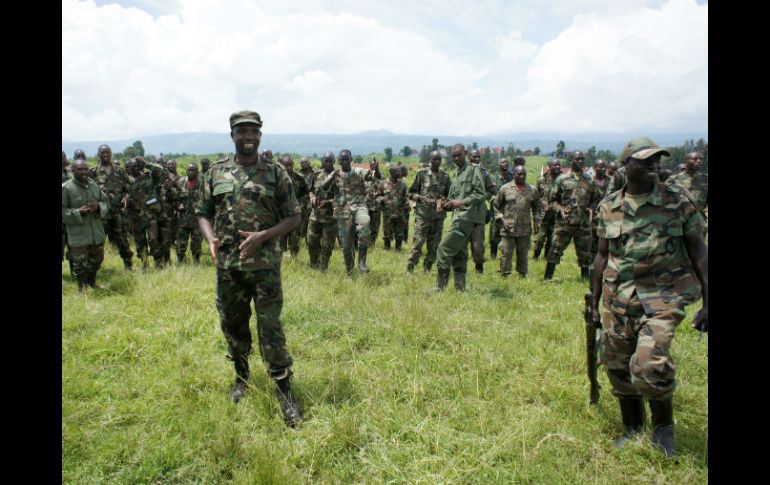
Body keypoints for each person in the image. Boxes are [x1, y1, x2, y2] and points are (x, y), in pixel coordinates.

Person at [591, 136, 708, 458]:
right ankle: (632, 428)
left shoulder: (677, 202)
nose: (655, 165)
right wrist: (593, 301)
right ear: (626, 165)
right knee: (616, 365)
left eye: (657, 159)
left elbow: (699, 251)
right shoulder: (608, 206)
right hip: (618, 298)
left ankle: (663, 430)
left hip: (663, 298)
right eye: (645, 161)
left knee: (648, 365)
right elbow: (602, 256)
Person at [196, 110, 302, 426]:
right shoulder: (215, 173)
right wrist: (210, 237)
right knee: (233, 323)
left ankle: (285, 392)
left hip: (265, 266)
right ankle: (241, 379)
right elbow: (202, 212)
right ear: (232, 135)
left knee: (270, 327)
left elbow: (294, 217)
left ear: (260, 135)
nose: (248, 137)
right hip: (228, 267)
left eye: (253, 132)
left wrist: (262, 236)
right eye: (242, 132)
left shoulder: (275, 173)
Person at [434, 144, 487, 291]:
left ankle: (440, 288)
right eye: (454, 156)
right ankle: (460, 288)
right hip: (459, 217)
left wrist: (461, 202)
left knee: (443, 249)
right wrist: (443, 203)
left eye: (459, 155)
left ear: (465, 153)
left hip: (467, 218)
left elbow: (481, 194)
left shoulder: (473, 169)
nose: (456, 158)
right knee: (459, 253)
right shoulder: (457, 174)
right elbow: (451, 199)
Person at [544, 151, 600, 281]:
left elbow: (596, 198)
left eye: (582, 159)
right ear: (571, 161)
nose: (580, 161)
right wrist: (560, 209)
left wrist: (591, 209)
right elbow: (552, 200)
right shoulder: (562, 179)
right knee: (555, 249)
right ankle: (547, 278)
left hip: (583, 222)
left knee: (585, 252)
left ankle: (585, 278)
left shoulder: (589, 180)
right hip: (565, 223)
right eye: (577, 159)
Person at [319, 149, 371, 274]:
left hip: (359, 207)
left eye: (347, 159)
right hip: (342, 212)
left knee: (365, 224)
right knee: (346, 246)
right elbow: (323, 188)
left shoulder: (358, 172)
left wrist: (376, 170)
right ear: (339, 161)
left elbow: (372, 176)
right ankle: (349, 270)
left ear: (351, 160)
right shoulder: (335, 175)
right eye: (342, 159)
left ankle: (362, 262)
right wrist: (332, 176)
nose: (344, 162)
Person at [62, 159, 110, 290]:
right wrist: (78, 212)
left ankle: (92, 283)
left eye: (85, 169)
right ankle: (81, 289)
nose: (83, 172)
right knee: (80, 264)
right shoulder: (67, 188)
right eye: (79, 169)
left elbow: (106, 202)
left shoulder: (93, 184)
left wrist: (99, 207)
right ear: (73, 171)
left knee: (97, 259)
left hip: (96, 232)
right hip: (79, 234)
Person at [89, 145, 134, 270]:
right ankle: (94, 270)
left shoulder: (120, 171)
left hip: (117, 213)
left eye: (107, 152)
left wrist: (126, 197)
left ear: (111, 153)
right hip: (100, 215)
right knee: (97, 243)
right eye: (102, 152)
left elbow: (128, 188)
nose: (105, 155)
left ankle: (129, 265)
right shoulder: (92, 172)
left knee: (123, 241)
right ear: (98, 154)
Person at [406, 150, 451, 273]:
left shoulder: (446, 177)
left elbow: (449, 196)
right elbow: (410, 193)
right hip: (423, 217)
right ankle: (410, 269)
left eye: (439, 159)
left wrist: (442, 202)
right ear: (429, 160)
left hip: (438, 217)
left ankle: (427, 269)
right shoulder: (421, 174)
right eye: (434, 159)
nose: (437, 162)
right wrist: (421, 198)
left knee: (434, 246)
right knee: (418, 243)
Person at [493, 165, 540, 277]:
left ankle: (522, 274)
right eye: (519, 174)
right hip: (508, 227)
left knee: (523, 253)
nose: (522, 176)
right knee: (506, 252)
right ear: (514, 174)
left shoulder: (532, 190)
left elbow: (537, 207)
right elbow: (495, 206)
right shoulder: (505, 188)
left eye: (524, 174)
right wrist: (501, 219)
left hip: (525, 228)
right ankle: (504, 274)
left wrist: (537, 222)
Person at [467, 149, 497, 273]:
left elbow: (492, 192)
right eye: (474, 157)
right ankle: (459, 272)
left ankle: (479, 270)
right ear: (469, 157)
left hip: (479, 213)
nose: (477, 159)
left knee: (478, 246)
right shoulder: (462, 171)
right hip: (464, 213)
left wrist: (483, 196)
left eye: (479, 157)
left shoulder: (485, 173)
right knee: (460, 245)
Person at [307, 152, 338, 270]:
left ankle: (323, 269)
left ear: (334, 161)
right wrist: (312, 197)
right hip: (315, 216)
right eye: (326, 161)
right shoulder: (316, 174)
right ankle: (313, 266)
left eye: (330, 161)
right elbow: (310, 190)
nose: (328, 163)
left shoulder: (338, 177)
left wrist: (329, 201)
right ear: (322, 161)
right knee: (311, 242)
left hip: (331, 218)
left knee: (327, 246)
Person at [279, 156, 309, 258]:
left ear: (293, 165)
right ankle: (281, 256)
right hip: (281, 212)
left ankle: (294, 257)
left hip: (295, 212)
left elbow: (306, 193)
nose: (288, 167)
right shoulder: (277, 178)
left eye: (290, 165)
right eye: (286, 165)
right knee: (281, 236)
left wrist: (300, 206)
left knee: (295, 236)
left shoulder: (299, 177)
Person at [667, 151, 708, 222]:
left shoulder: (705, 179)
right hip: (678, 220)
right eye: (695, 159)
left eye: (701, 159)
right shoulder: (673, 179)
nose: (698, 161)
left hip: (699, 221)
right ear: (686, 161)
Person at [533, 160, 561, 260]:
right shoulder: (542, 179)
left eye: (559, 165)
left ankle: (546, 256)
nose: (557, 167)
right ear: (550, 167)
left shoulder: (563, 179)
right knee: (540, 237)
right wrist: (542, 202)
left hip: (557, 214)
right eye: (555, 165)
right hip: (544, 214)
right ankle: (535, 256)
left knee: (552, 237)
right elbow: (535, 195)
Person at [175, 163, 203, 263]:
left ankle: (196, 261)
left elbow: (208, 199)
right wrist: (178, 204)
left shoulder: (203, 183)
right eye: (188, 170)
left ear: (197, 171)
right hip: (183, 219)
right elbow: (175, 196)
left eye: (193, 170)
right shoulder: (181, 182)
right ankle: (180, 261)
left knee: (196, 242)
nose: (190, 172)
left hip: (197, 220)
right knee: (181, 242)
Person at [377, 164, 409, 251]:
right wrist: (382, 199)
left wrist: (407, 204)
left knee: (399, 231)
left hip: (400, 212)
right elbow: (377, 196)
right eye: (398, 172)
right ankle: (387, 247)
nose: (400, 173)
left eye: (400, 171)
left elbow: (406, 196)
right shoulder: (383, 183)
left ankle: (398, 248)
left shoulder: (403, 184)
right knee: (387, 230)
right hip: (387, 212)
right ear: (392, 173)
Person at [488, 158, 513, 259]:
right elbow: (486, 192)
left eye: (507, 162)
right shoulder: (492, 178)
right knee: (494, 236)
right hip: (495, 211)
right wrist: (494, 198)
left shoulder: (512, 178)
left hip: (508, 212)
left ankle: (506, 256)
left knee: (508, 234)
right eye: (503, 162)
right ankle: (493, 256)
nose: (505, 164)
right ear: (499, 165)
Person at [590, 159, 610, 256]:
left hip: (608, 218)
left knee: (606, 245)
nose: (603, 169)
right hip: (593, 218)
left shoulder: (611, 181)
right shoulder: (589, 182)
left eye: (604, 167)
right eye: (600, 167)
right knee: (593, 244)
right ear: (594, 168)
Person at [364, 158, 384, 248]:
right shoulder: (366, 175)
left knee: (375, 226)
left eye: (374, 164)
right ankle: (365, 241)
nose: (373, 166)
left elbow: (380, 177)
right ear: (369, 165)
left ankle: (372, 243)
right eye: (371, 164)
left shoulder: (379, 175)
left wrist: (377, 169)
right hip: (366, 206)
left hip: (376, 206)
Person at [298, 157, 315, 243]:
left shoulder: (315, 174)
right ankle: (302, 240)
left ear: (309, 163)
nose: (304, 164)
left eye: (305, 162)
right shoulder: (298, 175)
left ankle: (310, 240)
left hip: (313, 202)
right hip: (301, 203)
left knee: (312, 222)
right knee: (302, 223)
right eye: (302, 162)